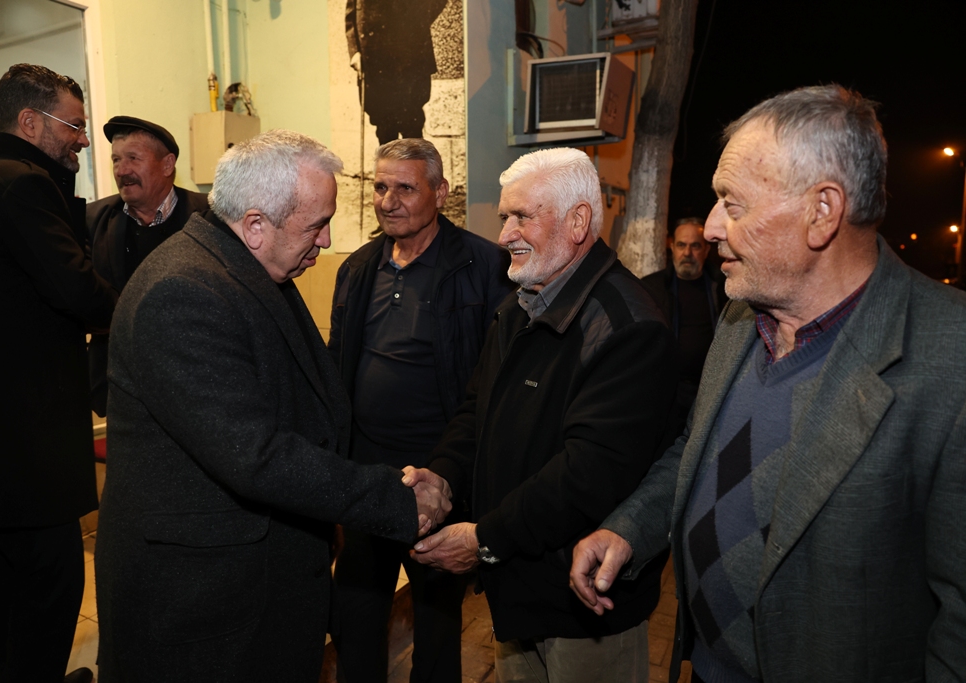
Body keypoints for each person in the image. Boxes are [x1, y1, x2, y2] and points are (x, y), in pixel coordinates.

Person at [570, 85, 966, 682]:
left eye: (733, 204)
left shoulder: (951, 358)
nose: (710, 228)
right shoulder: (742, 316)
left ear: (822, 211)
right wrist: (631, 528)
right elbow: (696, 449)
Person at [94, 129, 452, 683]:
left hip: (253, 588)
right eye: (316, 225)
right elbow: (255, 454)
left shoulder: (244, 267)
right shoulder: (182, 292)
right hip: (203, 611)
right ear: (256, 225)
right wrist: (396, 499)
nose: (326, 240)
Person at [406, 148, 677, 683]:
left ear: (578, 222)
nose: (504, 235)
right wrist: (442, 476)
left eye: (521, 217)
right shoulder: (521, 304)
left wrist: (485, 539)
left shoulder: (629, 325)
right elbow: (476, 412)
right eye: (504, 217)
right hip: (517, 586)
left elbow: (588, 475)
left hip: (584, 605)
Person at [0, 64, 117, 683]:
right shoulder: (22, 185)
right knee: (51, 583)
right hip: (28, 446)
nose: (83, 139)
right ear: (29, 122)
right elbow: (79, 293)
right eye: (74, 125)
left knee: (3, 580)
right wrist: (143, 305)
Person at [328, 138, 513, 683]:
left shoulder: (485, 266)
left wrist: (461, 477)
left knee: (436, 628)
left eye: (405, 188)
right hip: (367, 478)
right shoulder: (358, 268)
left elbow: (496, 379)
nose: (388, 201)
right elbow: (338, 366)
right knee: (355, 619)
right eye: (380, 187)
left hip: (440, 480)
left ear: (441, 191)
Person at [86, 116, 209, 416]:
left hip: (196, 384)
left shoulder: (211, 217)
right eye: (116, 159)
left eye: (133, 158)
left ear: (167, 165)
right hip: (120, 391)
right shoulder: (92, 220)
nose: (121, 170)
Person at [642, 218, 727, 444]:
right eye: (681, 245)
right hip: (666, 394)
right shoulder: (651, 288)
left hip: (710, 392)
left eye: (695, 245)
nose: (687, 253)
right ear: (672, 247)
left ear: (706, 250)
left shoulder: (724, 288)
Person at [345, 0, 448, 144]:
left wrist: (417, 22)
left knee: (411, 122)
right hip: (374, 56)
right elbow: (351, 15)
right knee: (383, 123)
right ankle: (388, 158)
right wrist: (355, 50)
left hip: (409, 52)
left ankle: (412, 158)